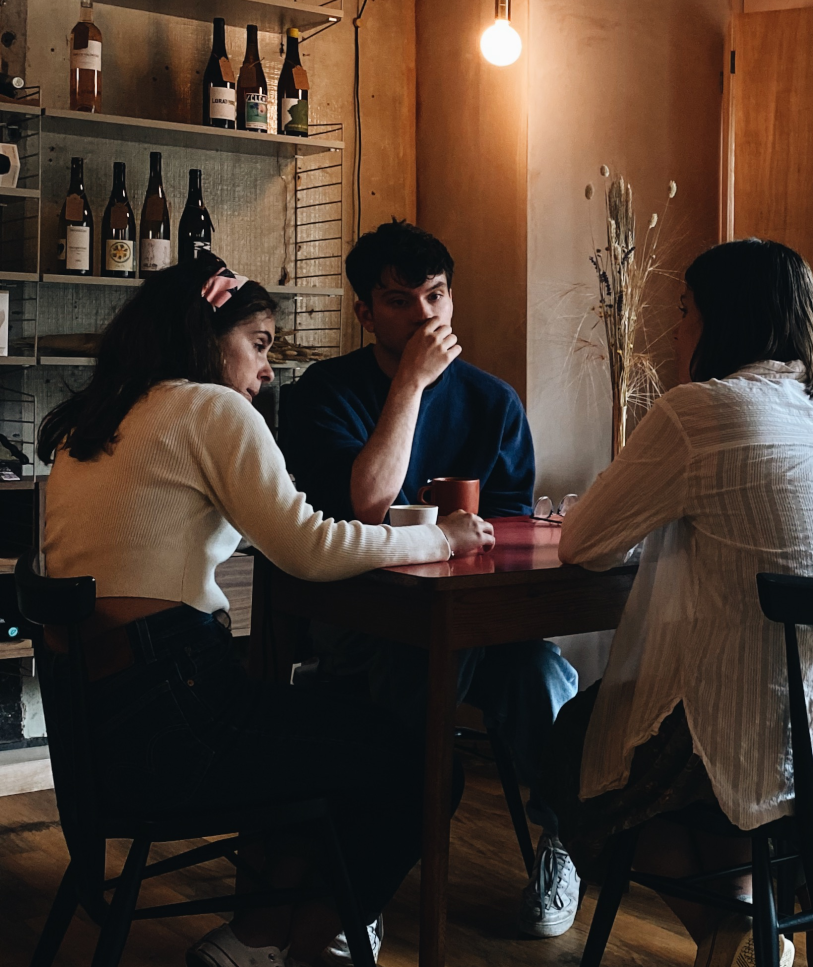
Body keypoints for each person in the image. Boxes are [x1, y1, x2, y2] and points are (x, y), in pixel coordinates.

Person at [38, 257, 495, 967]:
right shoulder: (211, 408)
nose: (268, 368)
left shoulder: (95, 421)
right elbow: (309, 547)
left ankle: (264, 931)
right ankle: (303, 939)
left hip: (101, 733)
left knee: (322, 722)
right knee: (420, 761)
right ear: (206, 337)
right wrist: (440, 534)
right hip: (180, 720)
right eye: (258, 342)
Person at [544, 239, 813, 967]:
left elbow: (581, 543)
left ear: (720, 320)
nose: (676, 329)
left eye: (684, 310)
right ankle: (741, 919)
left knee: (568, 749)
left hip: (760, 744)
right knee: (702, 719)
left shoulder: (700, 412)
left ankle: (734, 926)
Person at [278, 220, 581, 939]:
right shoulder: (324, 393)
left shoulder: (493, 402)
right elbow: (366, 507)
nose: (424, 317)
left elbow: (508, 537)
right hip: (366, 620)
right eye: (399, 301)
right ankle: (371, 880)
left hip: (477, 624)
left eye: (437, 297)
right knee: (411, 675)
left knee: (545, 677)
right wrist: (411, 382)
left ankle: (562, 840)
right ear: (364, 311)